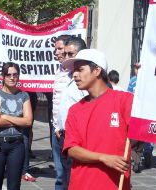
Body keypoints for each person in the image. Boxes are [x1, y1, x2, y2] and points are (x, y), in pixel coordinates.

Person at [62, 49, 133, 190]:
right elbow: (71, 149)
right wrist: (103, 158)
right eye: (74, 71)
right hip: (81, 184)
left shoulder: (124, 100)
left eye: (80, 70)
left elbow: (140, 133)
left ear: (97, 71)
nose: (75, 75)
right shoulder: (75, 110)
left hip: (114, 184)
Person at [0, 62, 33, 190]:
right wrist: (19, 119)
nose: (12, 78)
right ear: (3, 76)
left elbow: (28, 121)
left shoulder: (24, 95)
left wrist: (6, 117)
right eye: (8, 75)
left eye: (15, 75)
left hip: (17, 145)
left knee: (14, 186)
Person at [56, 36, 87, 190]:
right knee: (64, 177)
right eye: (65, 53)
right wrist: (58, 127)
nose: (66, 57)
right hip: (63, 135)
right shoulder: (66, 76)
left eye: (70, 54)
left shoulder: (86, 81)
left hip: (77, 139)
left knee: (73, 179)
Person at [51, 34, 72, 190]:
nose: (56, 52)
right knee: (60, 175)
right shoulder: (58, 71)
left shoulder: (74, 74)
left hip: (69, 132)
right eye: (55, 48)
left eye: (59, 48)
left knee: (69, 175)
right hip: (56, 130)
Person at [127, 63, 147, 172]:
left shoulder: (146, 81)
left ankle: (136, 160)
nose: (137, 70)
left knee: (138, 142)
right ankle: (137, 160)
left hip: (141, 115)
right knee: (135, 141)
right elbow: (128, 95)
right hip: (136, 114)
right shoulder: (133, 80)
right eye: (136, 68)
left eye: (138, 68)